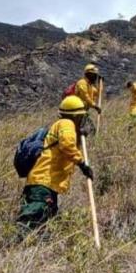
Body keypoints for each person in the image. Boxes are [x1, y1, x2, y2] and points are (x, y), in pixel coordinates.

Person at [17, 96, 94, 232]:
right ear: (75, 116)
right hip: (43, 183)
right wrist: (82, 164)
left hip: (44, 183)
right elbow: (67, 145)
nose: (82, 120)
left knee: (44, 222)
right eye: (81, 117)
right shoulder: (66, 124)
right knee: (30, 220)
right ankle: (15, 246)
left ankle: (34, 249)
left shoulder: (63, 126)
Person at [74, 63, 103, 134]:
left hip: (84, 111)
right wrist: (95, 106)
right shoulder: (82, 83)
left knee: (88, 129)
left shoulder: (90, 86)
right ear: (89, 74)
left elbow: (98, 93)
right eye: (94, 75)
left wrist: (100, 83)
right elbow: (86, 97)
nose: (95, 77)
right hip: (77, 111)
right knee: (87, 129)